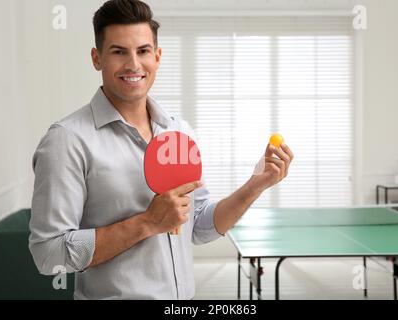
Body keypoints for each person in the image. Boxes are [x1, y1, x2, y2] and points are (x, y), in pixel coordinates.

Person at [29, 0, 294, 300]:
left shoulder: (179, 131)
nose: (133, 64)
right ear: (96, 58)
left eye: (142, 51)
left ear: (157, 56)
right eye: (118, 51)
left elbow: (198, 226)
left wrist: (256, 184)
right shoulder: (67, 140)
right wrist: (147, 223)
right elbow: (48, 253)